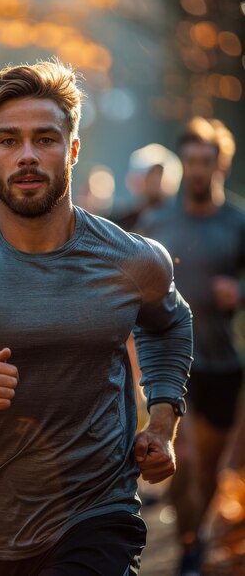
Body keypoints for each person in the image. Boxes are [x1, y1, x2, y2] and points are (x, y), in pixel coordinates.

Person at [0, 60, 192, 576]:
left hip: (101, 513)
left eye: (45, 139)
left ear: (72, 149)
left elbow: (169, 323)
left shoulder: (132, 259)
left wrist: (162, 419)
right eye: (8, 141)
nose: (26, 156)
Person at [137, 118, 245, 576]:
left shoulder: (238, 222)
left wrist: (240, 290)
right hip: (172, 363)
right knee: (186, 458)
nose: (198, 170)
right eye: (191, 161)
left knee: (208, 468)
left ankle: (193, 540)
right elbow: (135, 285)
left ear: (222, 163)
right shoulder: (159, 221)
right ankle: (187, 543)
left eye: (207, 161)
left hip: (222, 361)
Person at [110, 143, 182, 231]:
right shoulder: (121, 223)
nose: (156, 181)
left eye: (160, 175)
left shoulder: (179, 223)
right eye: (151, 175)